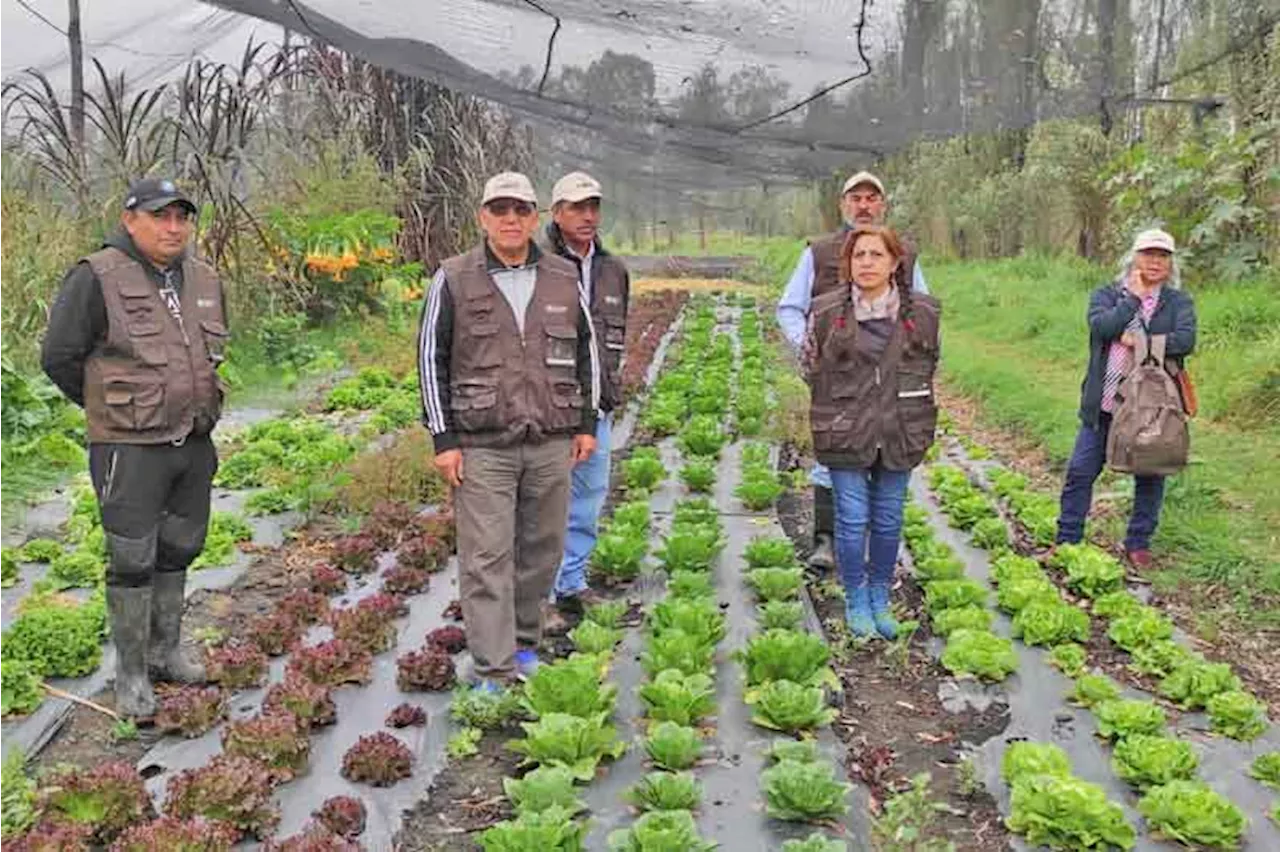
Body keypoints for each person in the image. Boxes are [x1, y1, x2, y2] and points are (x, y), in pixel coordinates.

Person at [41, 178, 224, 717]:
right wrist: (111, 407)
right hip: (129, 447)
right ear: (130, 220)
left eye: (181, 217)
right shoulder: (96, 276)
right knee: (130, 556)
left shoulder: (204, 278)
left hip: (193, 441)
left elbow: (211, 353)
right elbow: (60, 356)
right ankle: (132, 673)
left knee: (182, 545)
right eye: (160, 216)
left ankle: (166, 651)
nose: (173, 228)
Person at [418, 171, 600, 689]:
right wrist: (443, 438)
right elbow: (431, 358)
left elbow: (586, 354)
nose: (511, 220)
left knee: (543, 549)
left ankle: (523, 645)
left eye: (521, 210)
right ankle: (493, 669)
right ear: (483, 217)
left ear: (535, 217)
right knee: (486, 557)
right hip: (482, 445)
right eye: (501, 210)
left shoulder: (565, 277)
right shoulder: (453, 277)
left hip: (550, 440)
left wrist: (586, 423)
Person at [777, 171, 929, 573]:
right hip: (837, 380)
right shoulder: (818, 252)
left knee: (886, 453)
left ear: (883, 206)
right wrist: (814, 350)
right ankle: (826, 540)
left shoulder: (905, 255)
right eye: (855, 198)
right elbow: (790, 308)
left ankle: (875, 546)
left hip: (889, 382)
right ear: (842, 205)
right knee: (835, 456)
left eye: (871, 198)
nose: (863, 205)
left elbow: (924, 312)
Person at [803, 225, 941, 638]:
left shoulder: (923, 314)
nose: (866, 263)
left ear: (895, 263)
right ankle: (856, 596)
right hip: (844, 429)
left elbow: (930, 366)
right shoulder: (828, 311)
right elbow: (809, 365)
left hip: (901, 428)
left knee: (887, 519)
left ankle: (880, 595)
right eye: (858, 255)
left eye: (876, 255)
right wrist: (847, 401)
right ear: (847, 264)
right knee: (851, 518)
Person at [1055, 228, 1196, 569]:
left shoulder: (1178, 302)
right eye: (1148, 254)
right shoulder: (1107, 294)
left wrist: (1140, 342)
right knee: (1080, 471)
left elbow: (1185, 341)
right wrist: (1132, 299)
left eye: (1162, 256)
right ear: (1134, 257)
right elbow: (1102, 328)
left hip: (1153, 408)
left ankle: (1138, 543)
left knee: (1151, 472)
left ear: (1170, 263)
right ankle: (1067, 540)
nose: (1154, 262)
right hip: (1104, 404)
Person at [540, 171, 630, 635]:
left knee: (588, 500)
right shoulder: (535, 265)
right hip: (549, 409)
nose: (588, 215)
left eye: (593, 205)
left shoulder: (613, 269)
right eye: (576, 207)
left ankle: (571, 584)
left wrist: (608, 391)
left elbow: (615, 336)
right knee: (542, 505)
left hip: (595, 409)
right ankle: (538, 597)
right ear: (556, 214)